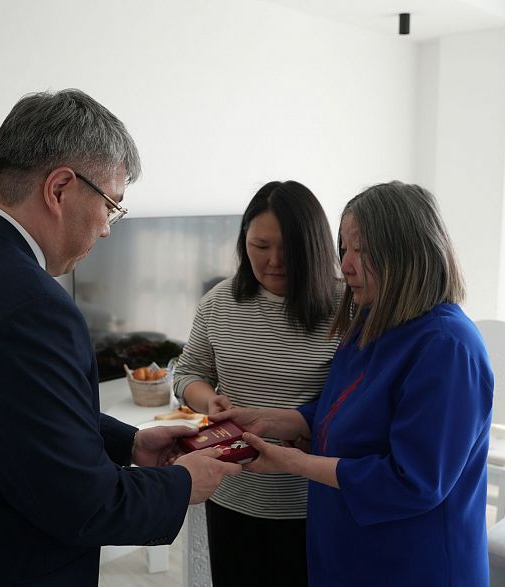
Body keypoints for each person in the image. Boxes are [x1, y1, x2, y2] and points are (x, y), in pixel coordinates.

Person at [0, 89, 241, 586]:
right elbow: (82, 503)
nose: (107, 230)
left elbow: (10, 414)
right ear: (59, 189)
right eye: (111, 206)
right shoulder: (33, 307)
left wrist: (130, 442)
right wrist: (182, 483)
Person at [216, 181, 494, 586]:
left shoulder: (448, 347)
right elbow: (344, 405)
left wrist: (291, 462)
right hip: (350, 547)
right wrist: (273, 420)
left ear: (407, 251)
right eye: (344, 249)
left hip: (413, 562)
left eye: (360, 250)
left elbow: (413, 481)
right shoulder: (374, 318)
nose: (345, 266)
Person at [173, 180, 341, 587]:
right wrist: (209, 400)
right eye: (260, 246)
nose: (274, 261)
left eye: (288, 248)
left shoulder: (346, 308)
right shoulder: (219, 302)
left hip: (313, 500)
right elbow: (187, 372)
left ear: (315, 247)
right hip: (231, 491)